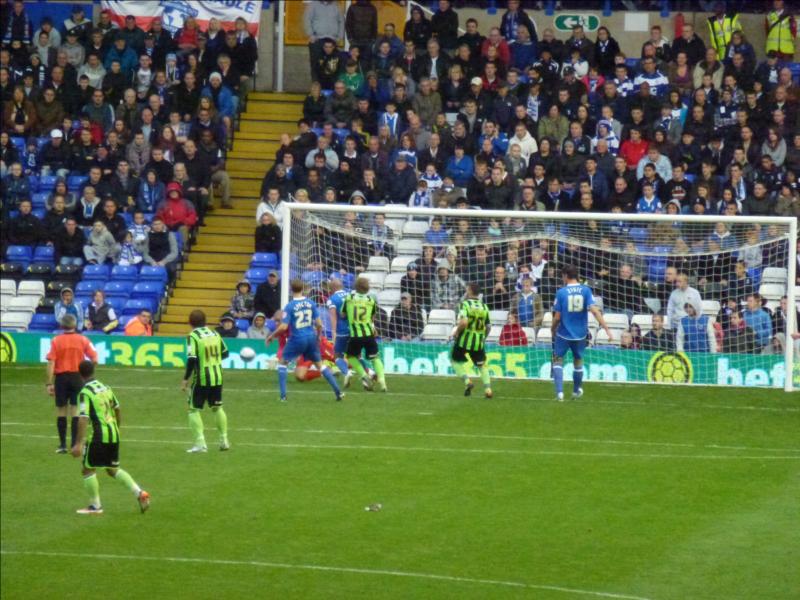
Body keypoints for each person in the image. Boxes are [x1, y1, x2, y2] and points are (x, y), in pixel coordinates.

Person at [70, 360, 150, 515]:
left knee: (87, 469)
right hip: (113, 433)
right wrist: (117, 427)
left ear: (80, 374)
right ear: (93, 371)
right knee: (112, 469)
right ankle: (139, 493)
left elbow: (83, 418)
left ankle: (95, 506)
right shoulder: (105, 388)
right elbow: (117, 408)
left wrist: (78, 443)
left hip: (99, 436)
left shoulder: (85, 392)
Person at [266, 279, 343, 402]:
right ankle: (338, 393)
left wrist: (271, 336)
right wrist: (318, 335)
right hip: (311, 337)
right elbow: (319, 324)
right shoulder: (310, 303)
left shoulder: (290, 306)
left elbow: (284, 327)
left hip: (297, 338)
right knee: (320, 366)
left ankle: (283, 396)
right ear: (303, 289)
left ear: (291, 290)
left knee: (282, 363)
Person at [551, 265, 613, 402]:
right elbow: (595, 311)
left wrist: (552, 328)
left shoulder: (561, 292)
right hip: (580, 334)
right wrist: (607, 329)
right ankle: (575, 391)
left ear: (566, 276)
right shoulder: (586, 290)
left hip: (563, 333)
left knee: (557, 360)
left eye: (562, 276)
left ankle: (560, 393)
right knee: (578, 362)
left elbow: (557, 316)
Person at [46, 314, 98, 454]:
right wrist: (85, 372)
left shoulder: (56, 341)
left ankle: (62, 445)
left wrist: (49, 383)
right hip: (78, 378)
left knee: (61, 410)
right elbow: (95, 358)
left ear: (62, 326)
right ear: (75, 325)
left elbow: (51, 362)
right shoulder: (83, 339)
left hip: (61, 378)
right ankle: (75, 443)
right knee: (76, 410)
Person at [182, 310, 230, 453]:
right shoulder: (215, 333)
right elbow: (225, 353)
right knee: (217, 408)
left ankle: (200, 444)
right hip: (217, 376)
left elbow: (192, 359)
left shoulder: (193, 336)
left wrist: (185, 379)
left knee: (193, 409)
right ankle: (224, 440)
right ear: (205, 321)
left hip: (202, 378)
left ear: (190, 322)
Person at [341, 276, 387, 392]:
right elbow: (372, 317)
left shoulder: (349, 298)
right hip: (368, 334)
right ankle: (382, 380)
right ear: (367, 289)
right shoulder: (371, 300)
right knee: (375, 358)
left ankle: (364, 375)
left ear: (355, 287)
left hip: (355, 335)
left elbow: (342, 314)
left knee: (350, 357)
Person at [449, 282, 493, 398]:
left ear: (469, 291)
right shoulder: (484, 307)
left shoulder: (465, 304)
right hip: (478, 341)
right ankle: (488, 389)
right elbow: (488, 327)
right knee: (482, 365)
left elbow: (464, 322)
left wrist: (457, 332)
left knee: (455, 361)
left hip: (464, 340)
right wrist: (483, 338)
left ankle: (467, 382)